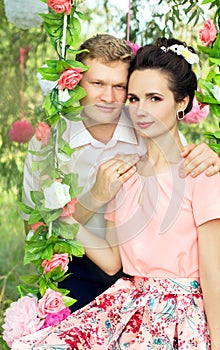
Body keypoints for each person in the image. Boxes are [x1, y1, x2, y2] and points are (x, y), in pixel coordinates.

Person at [13, 37, 220, 350]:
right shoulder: (119, 173)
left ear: (182, 102)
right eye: (135, 99)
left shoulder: (198, 171)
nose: (138, 109)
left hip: (180, 316)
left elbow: (213, 274)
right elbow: (111, 260)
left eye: (153, 98)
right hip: (121, 297)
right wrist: (59, 207)